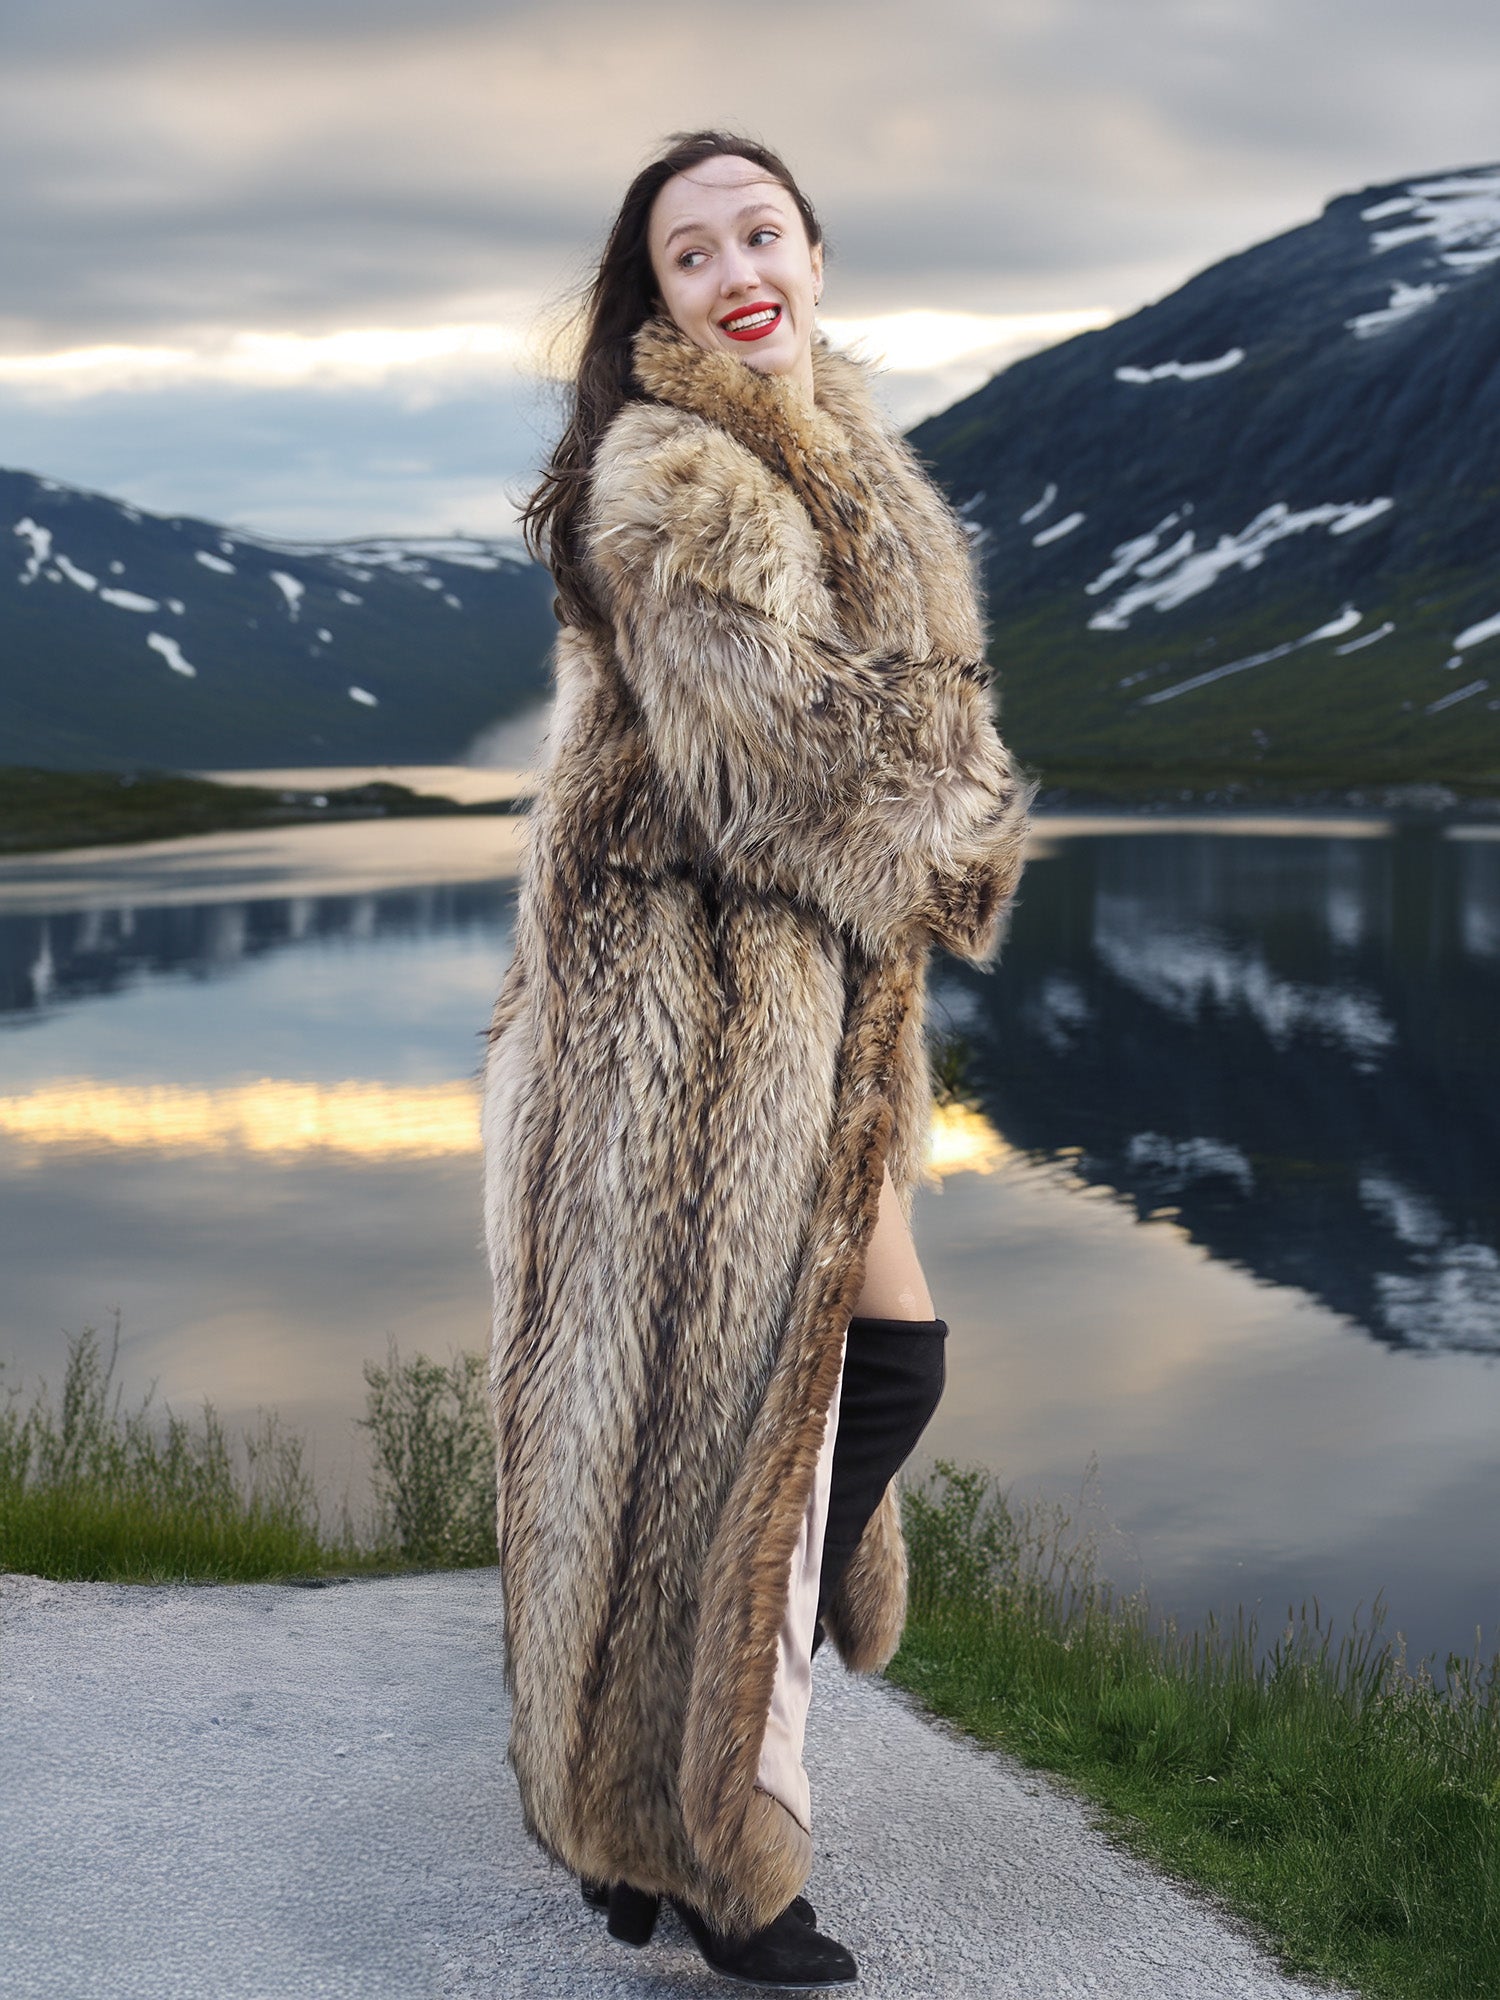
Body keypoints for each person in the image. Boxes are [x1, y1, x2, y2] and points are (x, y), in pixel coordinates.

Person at [482, 129, 1031, 1989]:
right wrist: (960, 821)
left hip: (818, 1020)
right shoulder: (677, 479)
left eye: (762, 233)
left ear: (815, 254)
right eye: (690, 250)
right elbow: (788, 775)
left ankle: (642, 1820)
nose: (737, 269)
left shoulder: (858, 462)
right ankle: (733, 1863)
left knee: (805, 1412)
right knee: (763, 1431)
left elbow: (892, 743)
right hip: (689, 1038)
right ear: (655, 299)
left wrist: (927, 803)